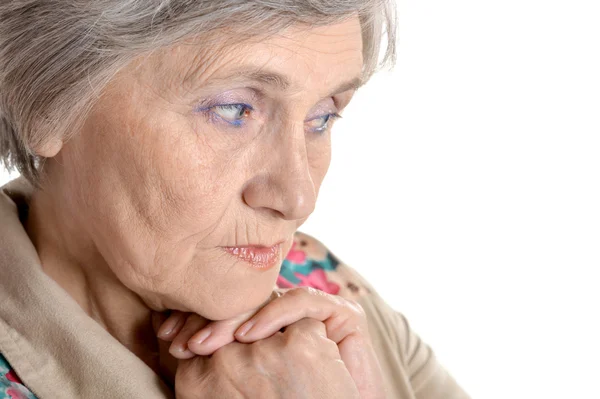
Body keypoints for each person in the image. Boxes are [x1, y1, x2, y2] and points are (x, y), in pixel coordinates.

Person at [0, 1, 470, 398]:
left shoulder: (334, 300)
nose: (298, 197)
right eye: (232, 109)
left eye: (323, 116)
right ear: (45, 103)